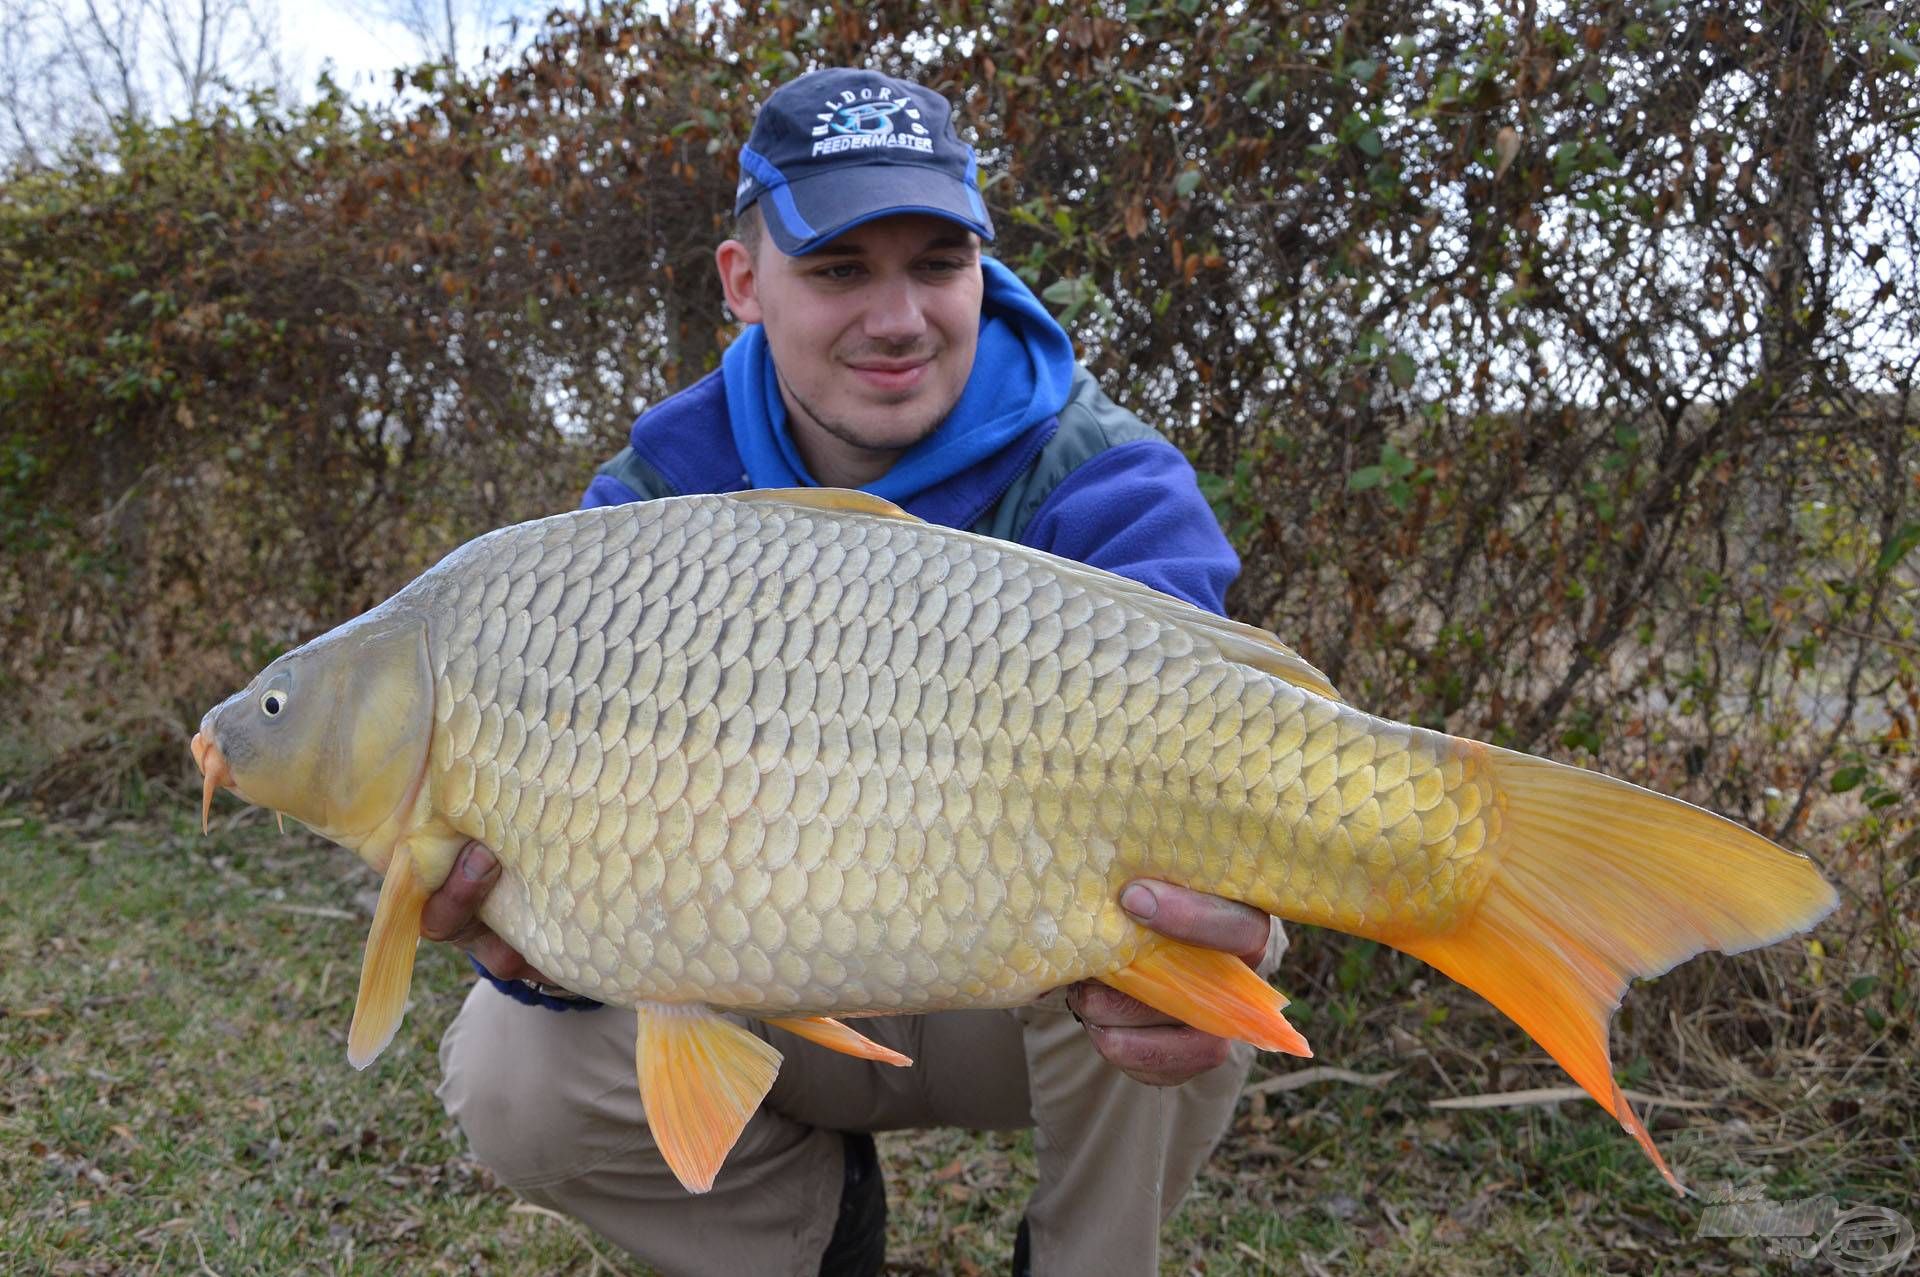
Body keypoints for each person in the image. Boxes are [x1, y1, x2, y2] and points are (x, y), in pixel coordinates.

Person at [424, 67, 1286, 1277]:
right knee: (515, 1069)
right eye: (839, 270)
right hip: (771, 989)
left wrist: (1214, 913)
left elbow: (1209, 788)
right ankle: (814, 1235)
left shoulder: (1104, 481)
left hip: (1031, 997)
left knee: (1207, 916)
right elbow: (565, 889)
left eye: (937, 263)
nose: (898, 317)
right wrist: (541, 927)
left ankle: (1087, 1261)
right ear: (745, 281)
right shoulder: (650, 502)